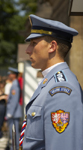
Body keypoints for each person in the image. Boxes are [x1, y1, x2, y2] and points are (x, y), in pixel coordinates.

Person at [19, 15, 83, 150]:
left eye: (33, 43)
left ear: (52, 46)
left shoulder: (61, 89)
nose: (27, 50)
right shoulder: (50, 82)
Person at [6, 67, 22, 150]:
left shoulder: (15, 84)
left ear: (13, 75)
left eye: (10, 74)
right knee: (13, 132)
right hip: (14, 112)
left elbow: (14, 100)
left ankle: (14, 148)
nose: (9, 75)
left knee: (13, 132)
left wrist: (10, 112)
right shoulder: (14, 83)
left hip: (14, 113)